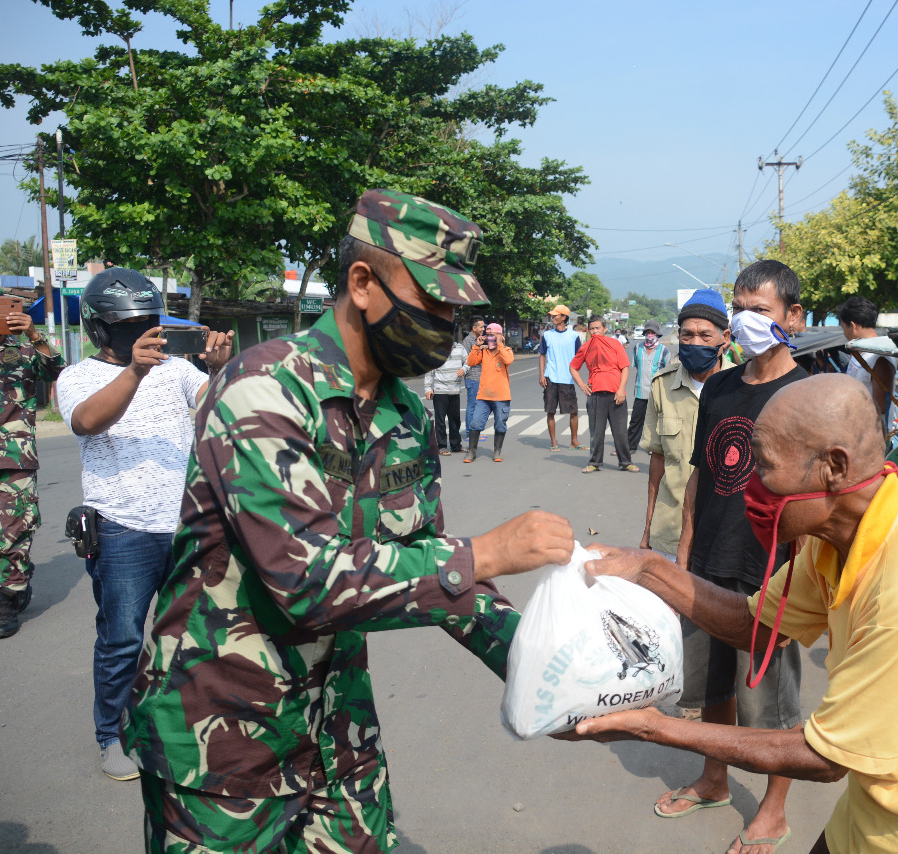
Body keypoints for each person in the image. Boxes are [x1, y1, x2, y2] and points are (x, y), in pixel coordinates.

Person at [121, 190, 575, 853]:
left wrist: (549, 672)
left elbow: (425, 563)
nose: (447, 321)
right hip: (220, 736)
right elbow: (301, 579)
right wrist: (484, 553)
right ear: (363, 283)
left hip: (338, 732)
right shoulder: (264, 389)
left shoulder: (406, 414)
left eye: (456, 307)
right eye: (433, 299)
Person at [574, 373, 898, 854]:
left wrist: (653, 725)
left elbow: (824, 757)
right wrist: (650, 568)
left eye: (765, 467)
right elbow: (751, 624)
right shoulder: (837, 538)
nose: (749, 485)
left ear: (833, 467)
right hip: (877, 811)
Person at [55, 268, 233, 780]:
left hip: (187, 527)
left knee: (197, 634)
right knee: (122, 640)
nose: (144, 332)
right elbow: (88, 421)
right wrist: (135, 371)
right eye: (130, 324)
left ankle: (188, 726)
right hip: (121, 531)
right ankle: (111, 735)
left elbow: (220, 412)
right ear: (99, 329)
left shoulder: (178, 370)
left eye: (149, 321)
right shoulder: (78, 376)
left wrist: (219, 371)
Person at [667, 264, 809, 854]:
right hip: (707, 561)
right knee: (712, 688)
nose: (749, 321)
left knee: (769, 705)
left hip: (772, 571)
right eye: (741, 309)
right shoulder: (721, 387)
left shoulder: (806, 396)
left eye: (763, 311)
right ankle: (714, 779)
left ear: (793, 318)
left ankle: (774, 810)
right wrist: (682, 552)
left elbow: (816, 498)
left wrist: (803, 577)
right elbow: (704, 473)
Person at [0, 290, 64, 638]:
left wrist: (35, 335)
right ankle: (7, 568)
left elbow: (58, 369)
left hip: (16, 457)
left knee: (14, 532)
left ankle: (10, 599)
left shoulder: (24, 351)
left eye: (1, 310)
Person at [638, 291, 732, 562]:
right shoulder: (662, 385)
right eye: (687, 335)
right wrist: (647, 530)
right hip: (669, 532)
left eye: (705, 336)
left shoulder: (741, 386)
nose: (695, 342)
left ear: (724, 339)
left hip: (720, 538)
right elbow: (657, 462)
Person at [570, 315, 635, 474]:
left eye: (597, 328)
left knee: (620, 433)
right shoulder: (585, 347)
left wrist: (621, 390)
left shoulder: (615, 344)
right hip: (596, 395)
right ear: (588, 330)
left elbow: (625, 368)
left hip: (616, 394)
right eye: (592, 329)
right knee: (596, 433)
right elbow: (573, 367)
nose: (595, 331)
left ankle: (626, 462)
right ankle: (594, 462)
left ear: (605, 329)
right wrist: (582, 385)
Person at [837, 296, 895, 428]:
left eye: (843, 327)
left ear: (852, 325)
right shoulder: (859, 350)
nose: (844, 333)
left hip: (871, 439)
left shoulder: (880, 357)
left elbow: (881, 406)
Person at [465, 321, 514, 462]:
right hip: (483, 397)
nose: (489, 338)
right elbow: (470, 362)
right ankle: (472, 453)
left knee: (500, 424)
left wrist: (500, 344)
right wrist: (477, 346)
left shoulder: (506, 350)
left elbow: (508, 360)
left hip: (501, 396)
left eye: (492, 335)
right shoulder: (483, 351)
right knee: (475, 423)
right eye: (488, 335)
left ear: (500, 336)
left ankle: (497, 452)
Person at [538, 303, 583, 451]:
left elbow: (579, 356)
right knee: (550, 411)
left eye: (556, 315)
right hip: (551, 378)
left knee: (573, 411)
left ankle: (574, 441)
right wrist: (542, 374)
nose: (553, 317)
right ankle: (554, 442)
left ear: (564, 317)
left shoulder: (574, 336)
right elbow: (542, 355)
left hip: (568, 378)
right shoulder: (547, 335)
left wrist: (576, 373)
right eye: (552, 315)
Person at [626, 319, 670, 453]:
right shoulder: (637, 348)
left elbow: (667, 370)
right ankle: (630, 445)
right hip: (640, 390)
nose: (650, 335)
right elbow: (637, 366)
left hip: (657, 391)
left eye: (652, 333)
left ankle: (653, 446)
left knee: (656, 421)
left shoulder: (664, 350)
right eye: (648, 332)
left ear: (657, 335)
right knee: (635, 421)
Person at [424, 339, 467, 455]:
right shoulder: (436, 349)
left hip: (455, 390)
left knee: (455, 419)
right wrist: (428, 388)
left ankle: (456, 445)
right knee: (440, 420)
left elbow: (468, 361)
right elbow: (430, 369)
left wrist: (464, 369)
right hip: (440, 390)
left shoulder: (460, 348)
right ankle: (442, 446)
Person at [461, 316, 486, 430]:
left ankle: (475, 431)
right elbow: (466, 360)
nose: (483, 329)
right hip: (472, 377)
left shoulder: (480, 339)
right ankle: (469, 432)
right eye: (481, 327)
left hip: (481, 377)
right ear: (474, 328)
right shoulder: (468, 341)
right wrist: (480, 348)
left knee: (479, 406)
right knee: (472, 406)